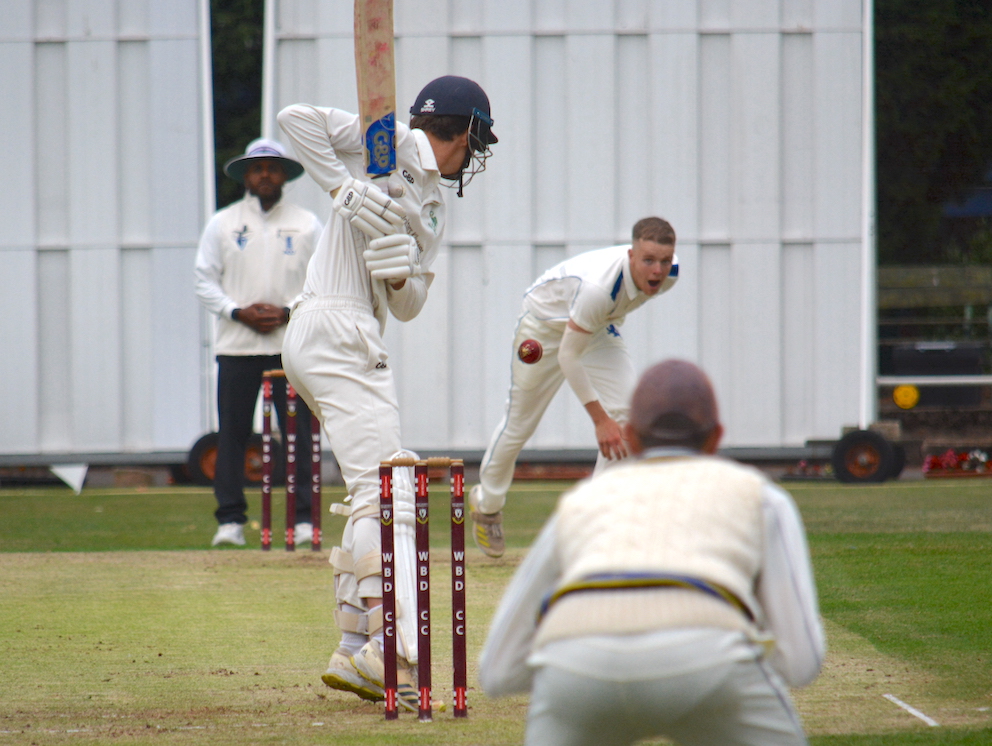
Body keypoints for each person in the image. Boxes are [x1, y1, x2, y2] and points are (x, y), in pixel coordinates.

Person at [275, 75, 497, 709]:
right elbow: (296, 118)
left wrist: (399, 275)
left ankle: (352, 650)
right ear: (461, 131)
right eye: (475, 142)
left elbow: (411, 305)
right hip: (336, 324)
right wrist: (342, 187)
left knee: (373, 489)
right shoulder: (387, 140)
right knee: (390, 489)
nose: (473, 157)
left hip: (338, 332)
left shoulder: (433, 206)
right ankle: (383, 645)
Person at [478, 359, 825, 746]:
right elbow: (802, 661)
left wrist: (576, 671)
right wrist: (731, 653)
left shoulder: (580, 503)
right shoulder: (761, 496)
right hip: (710, 658)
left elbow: (497, 672)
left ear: (631, 438)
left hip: (574, 667)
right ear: (716, 438)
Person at [470, 217, 679, 557]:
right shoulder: (599, 288)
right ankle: (487, 503)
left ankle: (595, 524)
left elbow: (592, 328)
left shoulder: (670, 276)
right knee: (520, 424)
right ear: (630, 255)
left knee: (629, 413)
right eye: (648, 260)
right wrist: (600, 420)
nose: (657, 271)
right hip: (543, 328)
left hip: (594, 327)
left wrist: (612, 419)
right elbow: (569, 356)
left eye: (664, 261)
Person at [194, 138, 322, 547]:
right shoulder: (223, 222)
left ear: (284, 174)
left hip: (291, 344)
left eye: (272, 167)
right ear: (245, 175)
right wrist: (237, 311)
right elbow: (203, 279)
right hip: (237, 345)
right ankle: (230, 521)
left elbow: (325, 282)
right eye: (257, 168)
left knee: (299, 433)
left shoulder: (307, 224)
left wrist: (288, 312)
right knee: (232, 433)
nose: (265, 174)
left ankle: (302, 521)